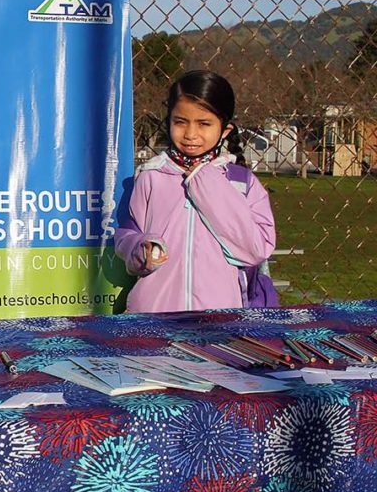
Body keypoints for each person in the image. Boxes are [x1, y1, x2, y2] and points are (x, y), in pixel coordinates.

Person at [114, 70, 276, 313]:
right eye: (180, 122)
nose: (190, 134)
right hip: (153, 319)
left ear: (225, 130)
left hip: (221, 320)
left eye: (204, 124)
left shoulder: (242, 183)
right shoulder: (150, 176)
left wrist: (205, 181)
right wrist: (141, 250)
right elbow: (126, 234)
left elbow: (255, 250)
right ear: (168, 121)